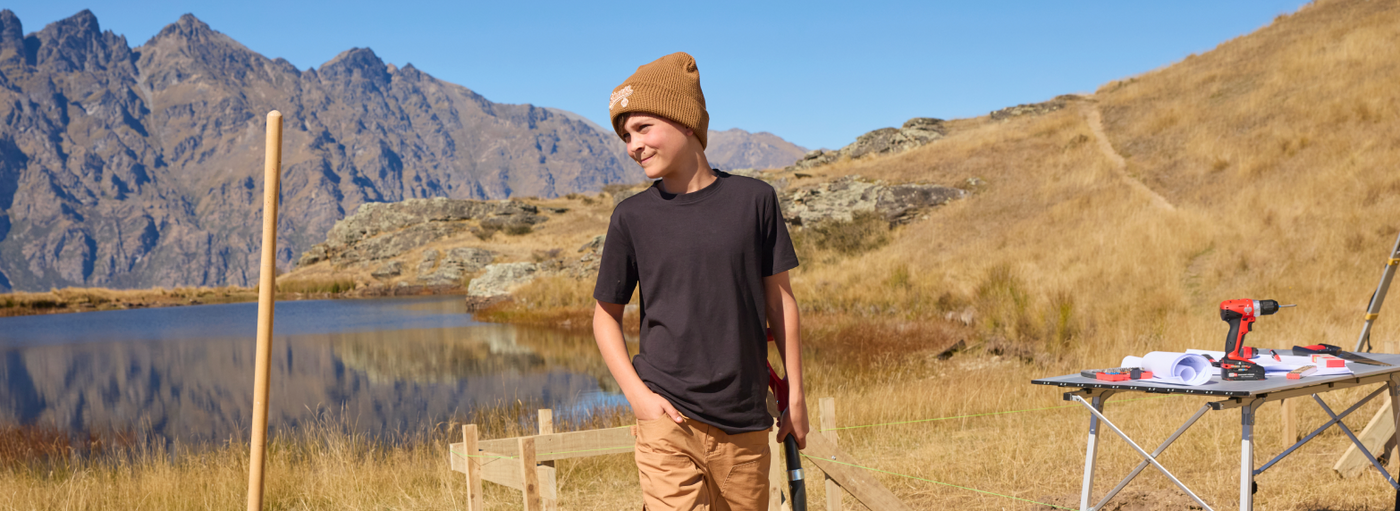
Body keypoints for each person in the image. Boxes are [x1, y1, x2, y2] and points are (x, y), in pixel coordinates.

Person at [592, 51, 807, 511]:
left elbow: (781, 303)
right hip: (667, 420)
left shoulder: (755, 201)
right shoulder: (631, 218)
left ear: (686, 122)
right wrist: (640, 399)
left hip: (745, 421)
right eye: (625, 135)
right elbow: (604, 317)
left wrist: (796, 396)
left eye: (643, 128)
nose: (633, 145)